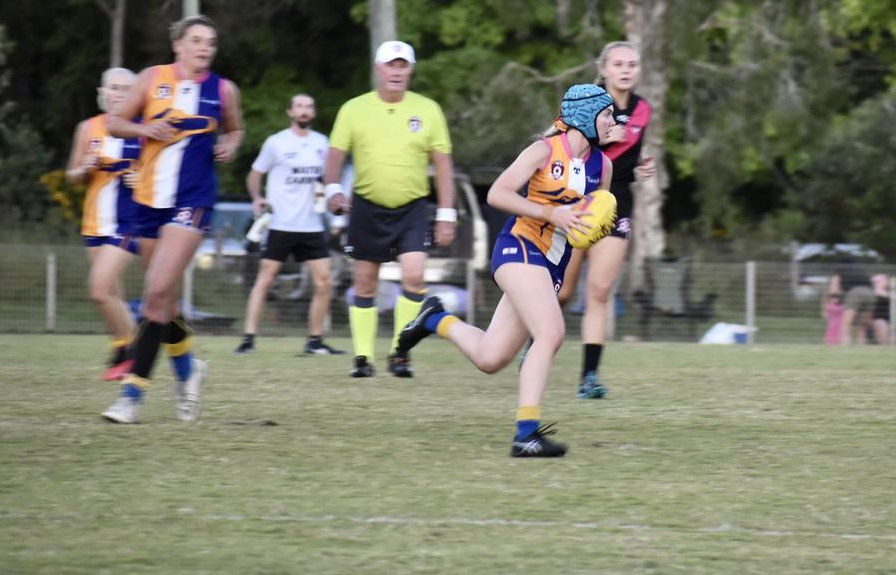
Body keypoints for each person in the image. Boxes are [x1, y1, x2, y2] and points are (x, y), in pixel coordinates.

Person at [393, 83, 615, 458]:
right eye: (607, 113)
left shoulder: (603, 166)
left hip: (551, 265)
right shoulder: (544, 150)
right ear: (584, 116)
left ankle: (433, 319)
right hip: (519, 248)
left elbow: (589, 224)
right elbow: (498, 194)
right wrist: (550, 213)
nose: (613, 121)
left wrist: (592, 231)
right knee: (551, 332)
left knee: (490, 358)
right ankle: (525, 435)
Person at [101, 14, 244, 424]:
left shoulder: (223, 90)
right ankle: (188, 372)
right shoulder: (151, 78)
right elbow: (115, 123)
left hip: (192, 201)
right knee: (164, 302)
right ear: (178, 45)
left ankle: (131, 396)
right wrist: (147, 127)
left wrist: (230, 145)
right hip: (148, 201)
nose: (205, 48)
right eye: (197, 40)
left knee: (155, 292)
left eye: (211, 42)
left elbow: (235, 129)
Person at [323, 40, 456, 378]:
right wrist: (334, 190)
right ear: (378, 69)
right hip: (367, 206)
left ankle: (400, 352)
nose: (397, 71)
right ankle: (363, 358)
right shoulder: (354, 108)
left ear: (410, 69)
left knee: (414, 276)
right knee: (365, 282)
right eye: (390, 65)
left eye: (403, 65)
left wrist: (446, 213)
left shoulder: (428, 109)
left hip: (412, 207)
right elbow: (336, 155)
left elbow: (442, 164)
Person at [556, 42, 655, 398]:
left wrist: (644, 165)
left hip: (615, 202)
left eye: (632, 64)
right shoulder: (586, 101)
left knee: (599, 291)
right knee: (562, 291)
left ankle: (589, 378)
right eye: (618, 64)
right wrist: (598, 138)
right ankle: (533, 341)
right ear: (605, 69)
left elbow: (632, 155)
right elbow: (560, 142)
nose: (626, 70)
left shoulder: (643, 109)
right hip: (577, 198)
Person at [233, 94, 344, 356]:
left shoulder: (321, 143)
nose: (304, 111)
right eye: (299, 107)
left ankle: (315, 341)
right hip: (281, 224)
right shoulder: (276, 143)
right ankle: (248, 339)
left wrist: (333, 198)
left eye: (308, 107)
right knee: (265, 279)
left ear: (313, 113)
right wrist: (257, 197)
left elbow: (328, 179)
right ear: (290, 112)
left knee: (325, 282)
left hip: (312, 226)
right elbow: (255, 174)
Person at [65, 67, 142, 380]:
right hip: (95, 223)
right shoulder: (87, 129)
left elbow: (160, 178)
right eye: (114, 87)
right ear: (103, 92)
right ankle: (120, 348)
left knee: (98, 290)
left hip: (129, 222)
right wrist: (84, 169)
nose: (120, 93)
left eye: (127, 88)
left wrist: (141, 180)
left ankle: (138, 355)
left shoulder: (143, 129)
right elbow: (71, 177)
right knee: (112, 294)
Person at [828, 259, 874, 345]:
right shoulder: (861, 269)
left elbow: (834, 290)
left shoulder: (839, 268)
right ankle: (862, 346)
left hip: (854, 292)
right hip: (870, 293)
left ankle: (846, 345)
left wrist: (835, 300)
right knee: (863, 326)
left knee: (846, 323)